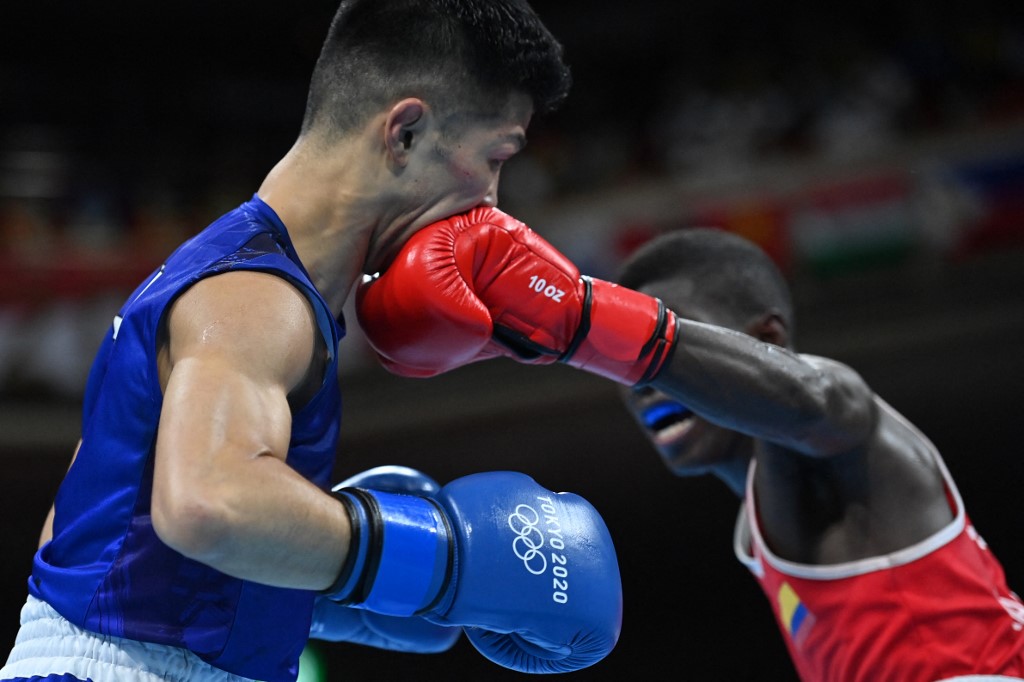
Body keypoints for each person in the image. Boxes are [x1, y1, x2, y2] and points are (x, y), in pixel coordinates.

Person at [1, 3, 627, 681]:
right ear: (406, 133)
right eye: (494, 157)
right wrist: (437, 559)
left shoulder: (238, 274)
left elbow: (79, 534)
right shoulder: (254, 296)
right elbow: (207, 504)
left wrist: (295, 578)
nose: (493, 205)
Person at [354, 209, 1024, 680]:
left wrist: (584, 321)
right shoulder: (767, 512)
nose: (640, 384)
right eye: (625, 372)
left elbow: (820, 402)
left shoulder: (852, 443)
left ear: (767, 342)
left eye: (660, 355)